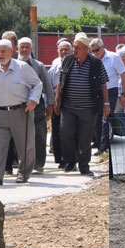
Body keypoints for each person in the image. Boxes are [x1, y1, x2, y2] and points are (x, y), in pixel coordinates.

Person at [0, 40, 42, 185]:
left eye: (3, 51)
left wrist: (33, 100)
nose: (0, 54)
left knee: (25, 145)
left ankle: (23, 173)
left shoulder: (23, 68)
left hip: (21, 111)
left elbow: (37, 84)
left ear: (12, 52)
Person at [54, 33, 108, 176]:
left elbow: (103, 84)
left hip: (88, 108)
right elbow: (61, 80)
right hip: (68, 106)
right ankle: (71, 161)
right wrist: (57, 99)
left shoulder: (96, 63)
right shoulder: (68, 60)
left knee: (85, 138)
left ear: (86, 49)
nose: (74, 50)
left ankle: (84, 165)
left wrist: (106, 104)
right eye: (74, 47)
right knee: (65, 134)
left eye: (77, 47)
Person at [18, 37, 55, 173]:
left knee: (39, 134)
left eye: (27, 47)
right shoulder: (13, 64)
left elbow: (47, 86)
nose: (24, 49)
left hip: (37, 105)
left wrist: (50, 104)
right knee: (20, 135)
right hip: (18, 105)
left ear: (31, 49)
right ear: (17, 48)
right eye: (22, 46)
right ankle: (20, 163)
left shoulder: (39, 66)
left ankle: (39, 163)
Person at [90, 38, 125, 154]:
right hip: (96, 92)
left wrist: (124, 94)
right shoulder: (92, 59)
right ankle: (97, 141)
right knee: (96, 117)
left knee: (105, 118)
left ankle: (103, 147)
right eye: (93, 51)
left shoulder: (113, 57)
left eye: (97, 50)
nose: (95, 53)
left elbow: (123, 76)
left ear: (102, 47)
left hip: (111, 90)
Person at [49, 39, 72, 169]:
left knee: (68, 131)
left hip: (70, 100)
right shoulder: (55, 64)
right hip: (56, 100)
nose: (63, 52)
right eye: (61, 50)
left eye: (66, 50)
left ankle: (69, 158)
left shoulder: (75, 62)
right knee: (57, 130)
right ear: (57, 51)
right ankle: (60, 159)